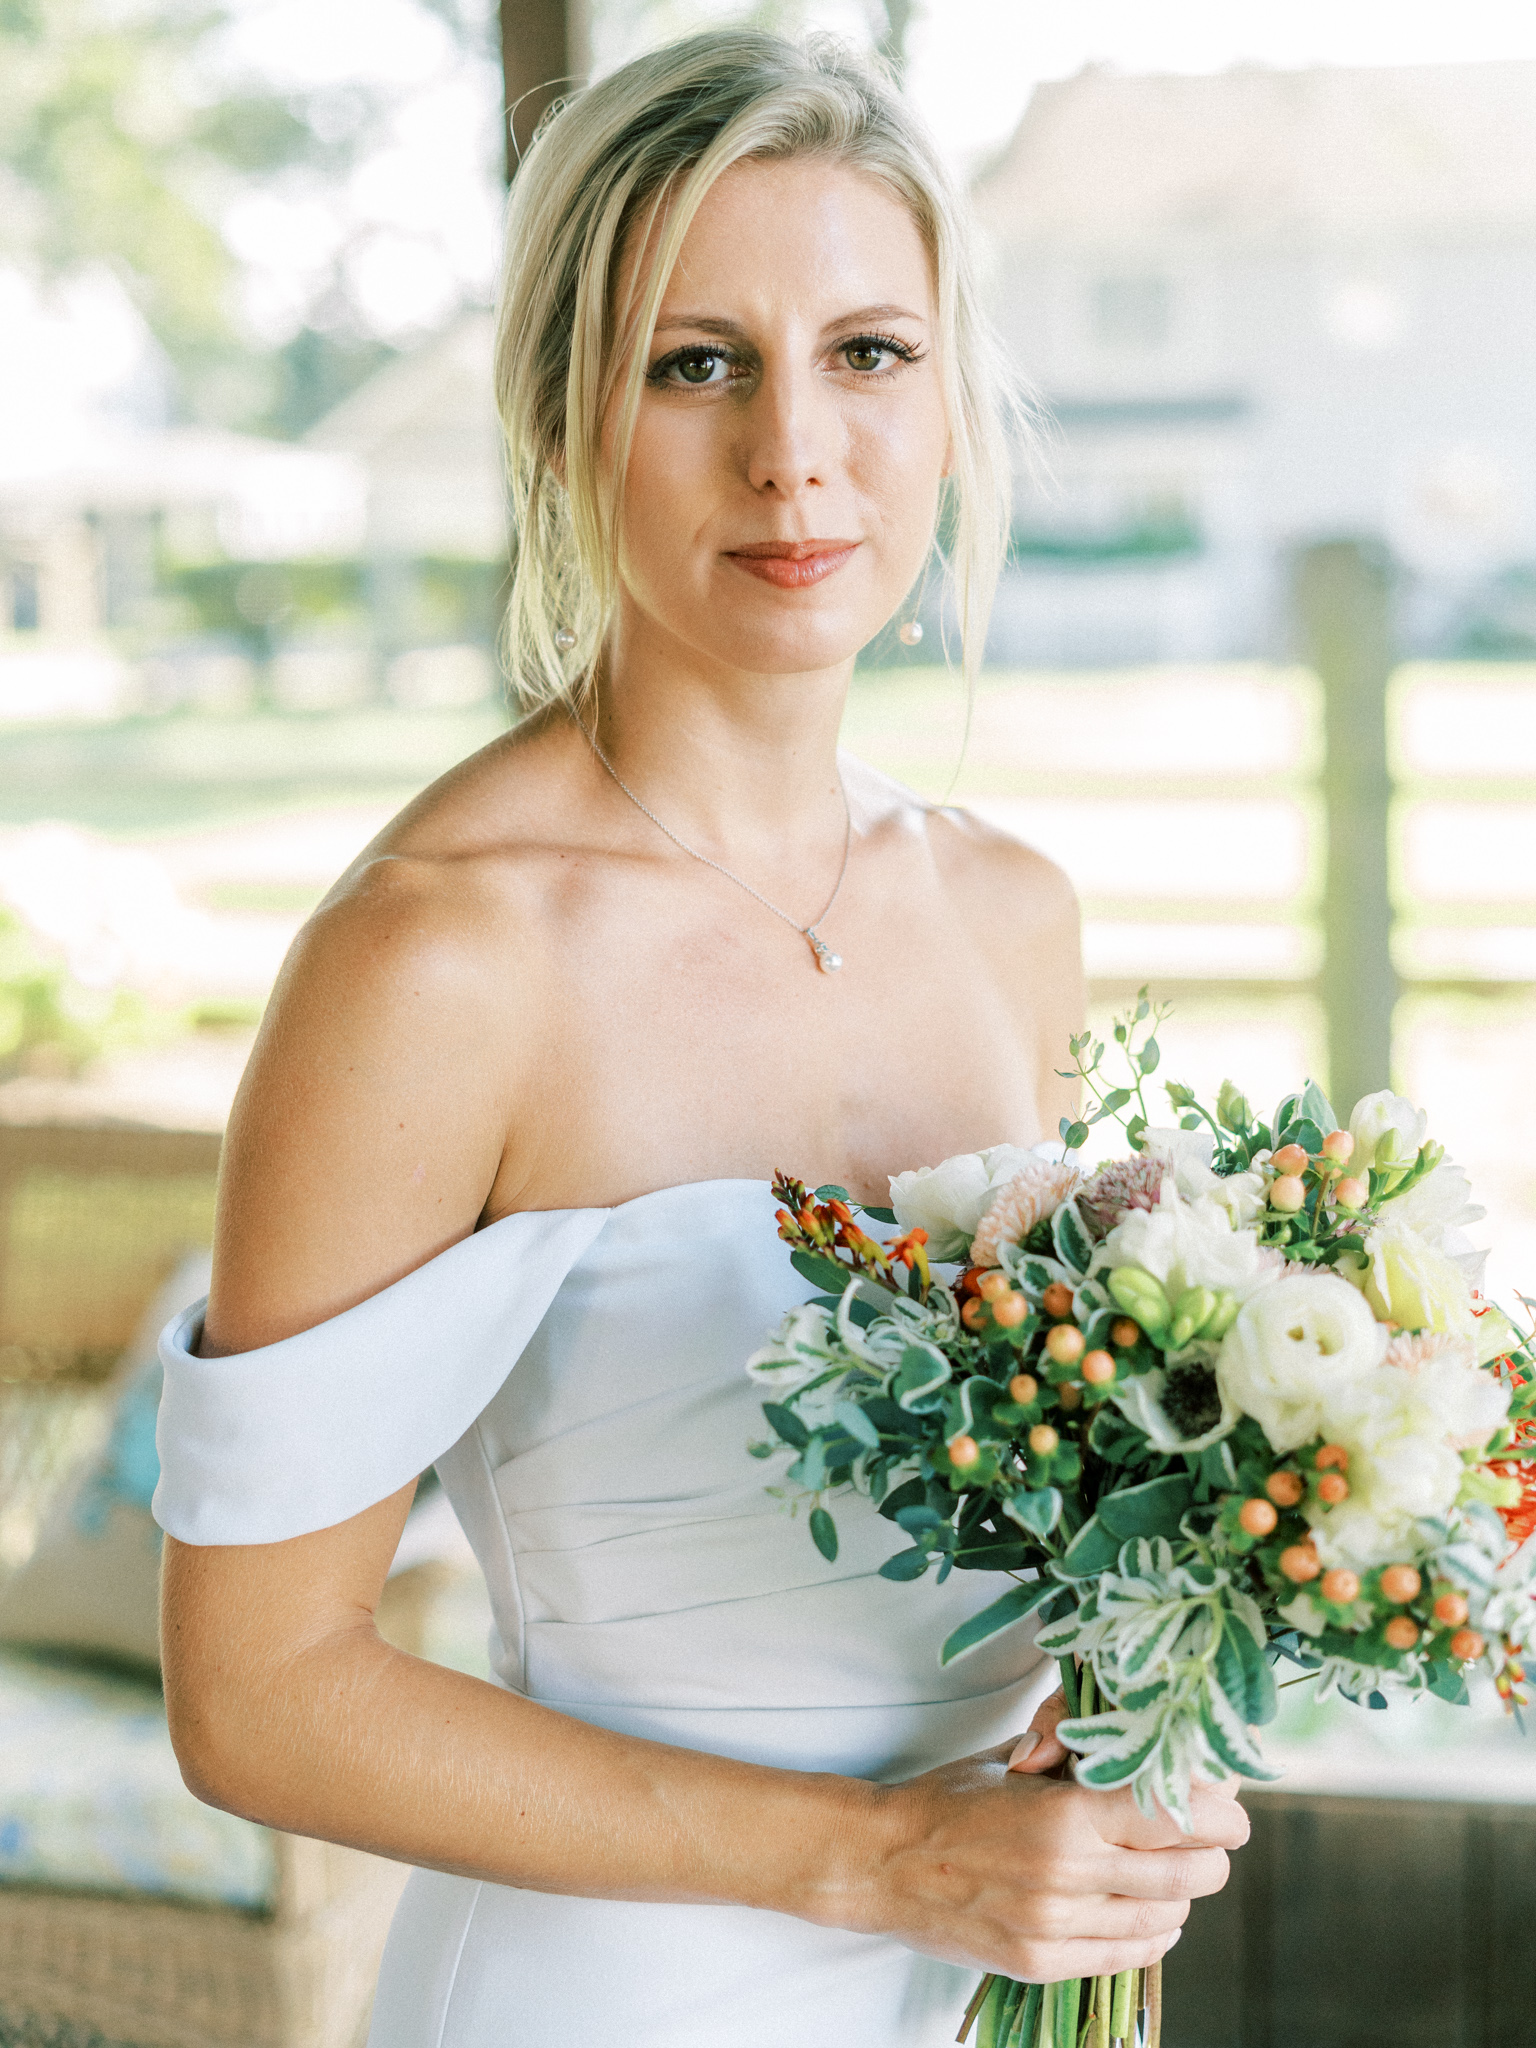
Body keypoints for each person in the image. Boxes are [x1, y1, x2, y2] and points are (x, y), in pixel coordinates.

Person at [155, 29, 1246, 2048]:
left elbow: (1057, 1496)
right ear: (566, 415)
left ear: (951, 398)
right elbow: (258, 1694)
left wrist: (1156, 1698)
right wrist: (878, 1855)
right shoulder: (434, 961)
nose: (794, 455)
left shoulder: (1015, 913)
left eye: (870, 353)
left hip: (980, 1985)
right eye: (698, 360)